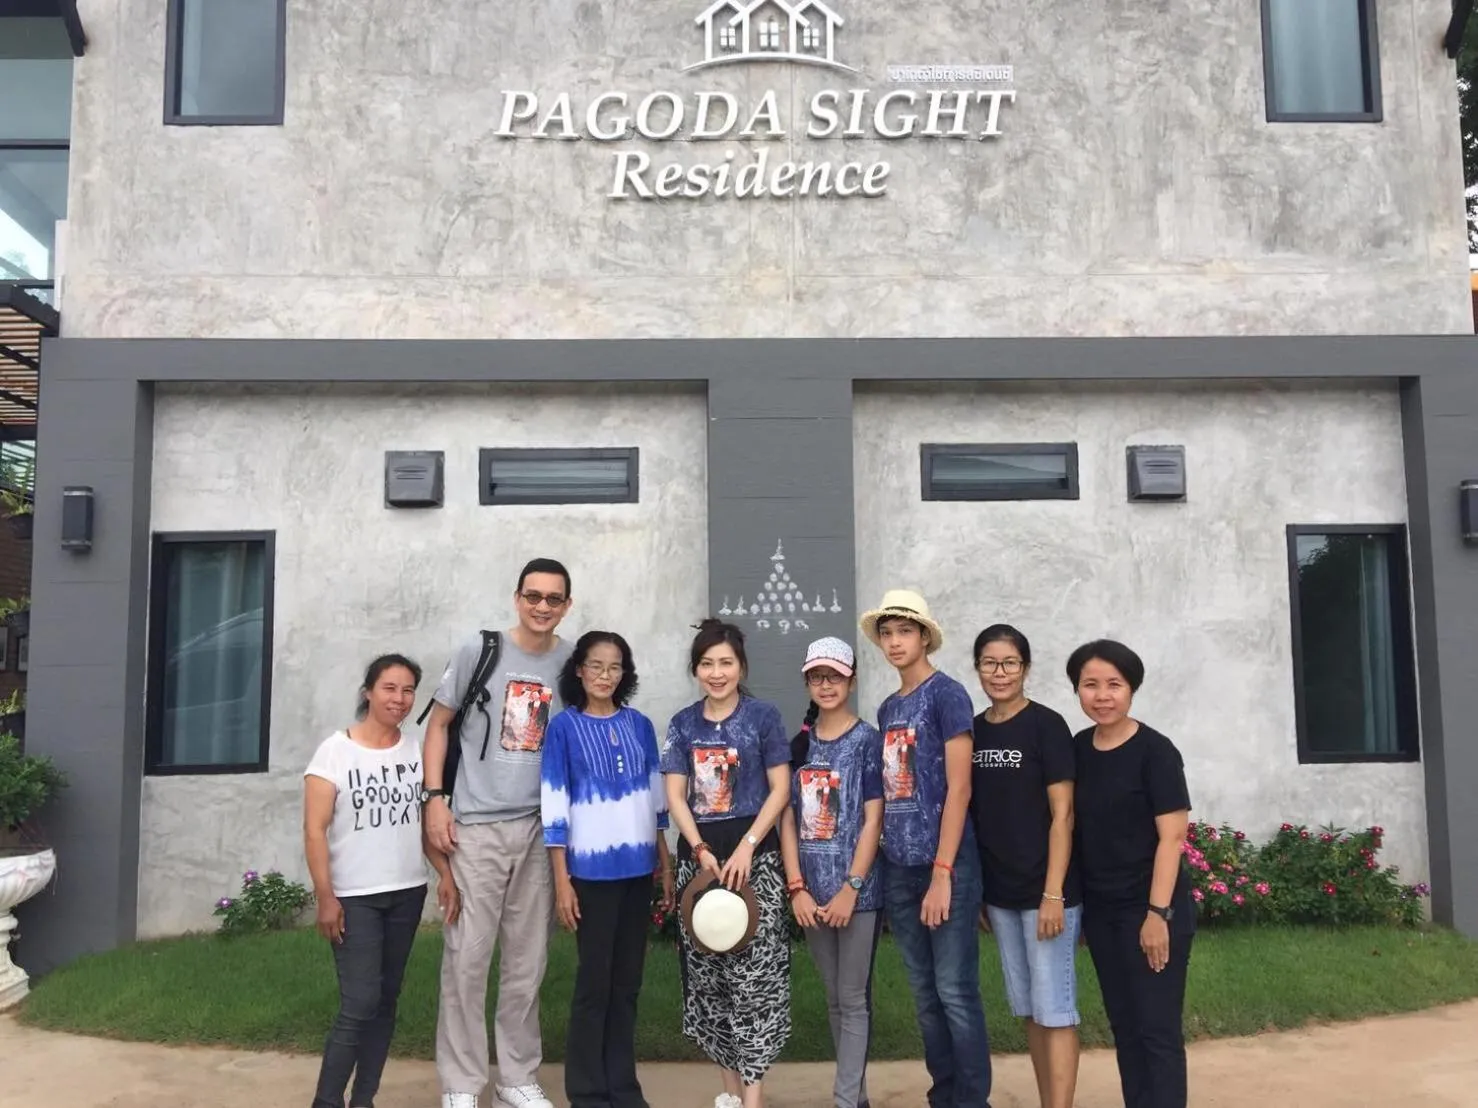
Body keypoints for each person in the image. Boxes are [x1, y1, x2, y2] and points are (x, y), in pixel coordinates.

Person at [424, 558, 577, 1108]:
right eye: (533, 596)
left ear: (567, 606)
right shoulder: (479, 650)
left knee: (527, 963)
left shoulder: (571, 663)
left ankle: (516, 1076)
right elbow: (438, 726)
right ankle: (462, 1084)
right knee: (466, 960)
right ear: (517, 598)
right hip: (476, 827)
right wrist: (435, 799)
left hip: (539, 830)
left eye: (553, 598)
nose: (542, 607)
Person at [304, 654, 461, 1108]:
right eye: (390, 688)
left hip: (405, 893)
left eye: (408, 690)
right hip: (354, 898)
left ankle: (364, 1099)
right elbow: (314, 830)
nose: (400, 698)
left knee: (386, 1000)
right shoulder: (335, 751)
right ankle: (327, 1101)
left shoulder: (415, 751)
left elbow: (423, 824)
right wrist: (326, 897)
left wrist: (445, 873)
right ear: (368, 692)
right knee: (359, 1003)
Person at [859, 589, 991, 1108]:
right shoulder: (889, 706)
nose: (895, 642)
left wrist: (942, 872)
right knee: (924, 992)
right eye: (887, 634)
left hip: (946, 865)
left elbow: (959, 789)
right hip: (899, 865)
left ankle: (972, 1100)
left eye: (905, 632)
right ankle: (944, 1094)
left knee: (955, 990)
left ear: (924, 637)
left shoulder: (948, 695)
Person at [661, 619, 792, 1108]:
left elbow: (780, 789)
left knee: (755, 983)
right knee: (709, 981)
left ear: (742, 667)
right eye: (706, 664)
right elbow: (675, 795)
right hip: (701, 864)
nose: (716, 673)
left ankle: (753, 1098)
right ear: (696, 669)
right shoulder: (682, 724)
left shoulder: (764, 718)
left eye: (726, 663)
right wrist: (699, 849)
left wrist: (749, 845)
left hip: (754, 862)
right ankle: (730, 1095)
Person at [540, 631, 674, 1108]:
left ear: (625, 673)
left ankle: (623, 1088)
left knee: (627, 985)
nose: (605, 675)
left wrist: (664, 862)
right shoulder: (563, 728)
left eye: (614, 667)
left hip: (637, 872)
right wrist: (562, 881)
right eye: (595, 666)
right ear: (579, 670)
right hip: (590, 876)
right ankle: (587, 1092)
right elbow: (554, 805)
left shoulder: (639, 725)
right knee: (594, 985)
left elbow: (656, 801)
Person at [1067, 639, 1194, 1108]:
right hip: (1102, 913)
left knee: (1156, 1028)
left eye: (1114, 684)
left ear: (1132, 689)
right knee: (1124, 1026)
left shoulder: (1156, 752)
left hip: (1152, 908)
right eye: (1090, 685)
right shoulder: (1078, 749)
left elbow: (1172, 838)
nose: (1102, 696)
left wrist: (1158, 915)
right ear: (1077, 690)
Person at [970, 625, 1081, 1108]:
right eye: (990, 663)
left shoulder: (1046, 725)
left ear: (1026, 668)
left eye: (1010, 663)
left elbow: (1063, 815)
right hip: (1001, 895)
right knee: (1032, 1011)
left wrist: (1053, 893)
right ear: (978, 668)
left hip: (1046, 893)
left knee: (1056, 1010)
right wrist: (980, 893)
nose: (1000, 673)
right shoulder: (974, 730)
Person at [779, 637, 884, 1108]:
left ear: (851, 681)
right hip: (811, 895)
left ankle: (844, 1100)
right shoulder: (799, 746)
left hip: (857, 894)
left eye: (835, 676)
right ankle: (855, 1098)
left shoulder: (867, 741)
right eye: (818, 677)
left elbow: (874, 818)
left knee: (854, 998)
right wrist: (796, 887)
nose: (826, 685)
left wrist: (851, 888)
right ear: (807, 682)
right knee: (835, 1000)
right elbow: (787, 820)